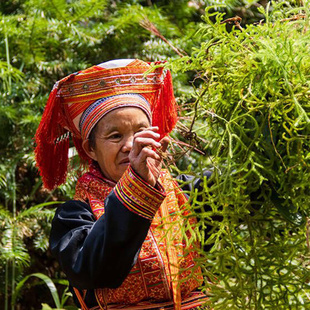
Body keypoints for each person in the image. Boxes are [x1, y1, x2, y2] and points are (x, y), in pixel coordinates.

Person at [35, 59, 208, 310]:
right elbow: (98, 270)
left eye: (141, 133)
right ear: (90, 149)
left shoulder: (183, 192)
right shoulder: (74, 215)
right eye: (116, 136)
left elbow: (245, 186)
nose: (131, 145)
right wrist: (137, 185)